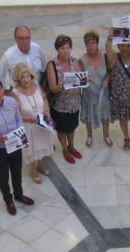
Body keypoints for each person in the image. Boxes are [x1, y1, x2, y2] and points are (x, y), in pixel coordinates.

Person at [0, 77, 35, 215]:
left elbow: (18, 119)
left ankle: (19, 195)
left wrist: (22, 135)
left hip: (15, 145)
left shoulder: (11, 102)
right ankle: (8, 200)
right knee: (3, 176)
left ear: (3, 88)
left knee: (17, 172)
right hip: (0, 148)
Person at [45, 35, 84, 164]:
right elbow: (52, 89)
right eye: (62, 48)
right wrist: (60, 85)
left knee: (72, 127)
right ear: (57, 49)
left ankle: (71, 146)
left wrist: (84, 80)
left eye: (68, 47)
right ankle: (65, 149)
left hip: (74, 104)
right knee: (62, 129)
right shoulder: (52, 65)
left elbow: (80, 78)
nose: (66, 50)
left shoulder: (74, 61)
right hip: (60, 106)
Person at [11, 63, 53, 183]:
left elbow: (44, 99)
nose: (26, 79)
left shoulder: (36, 84)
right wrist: (32, 119)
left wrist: (47, 112)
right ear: (18, 78)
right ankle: (33, 169)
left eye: (28, 76)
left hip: (42, 122)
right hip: (28, 125)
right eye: (23, 77)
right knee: (32, 148)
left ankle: (40, 164)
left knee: (41, 144)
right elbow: (16, 114)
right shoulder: (15, 92)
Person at [106, 25, 130, 150]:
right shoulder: (114, 59)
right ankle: (127, 138)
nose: (125, 48)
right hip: (120, 99)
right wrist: (110, 36)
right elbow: (107, 48)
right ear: (118, 46)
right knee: (123, 120)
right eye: (122, 45)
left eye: (127, 45)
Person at [81, 29, 113, 148]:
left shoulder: (105, 57)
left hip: (102, 92)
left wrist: (107, 79)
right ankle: (89, 136)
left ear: (97, 43)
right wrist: (84, 79)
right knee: (89, 115)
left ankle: (106, 135)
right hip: (89, 93)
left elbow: (110, 71)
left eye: (93, 42)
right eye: (88, 43)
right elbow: (79, 75)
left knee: (105, 115)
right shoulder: (82, 59)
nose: (90, 45)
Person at [0, 25, 47, 91]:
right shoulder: (9, 55)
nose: (24, 41)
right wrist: (5, 92)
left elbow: (44, 67)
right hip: (18, 93)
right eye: (21, 38)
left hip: (38, 89)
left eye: (27, 38)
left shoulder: (37, 48)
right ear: (15, 39)